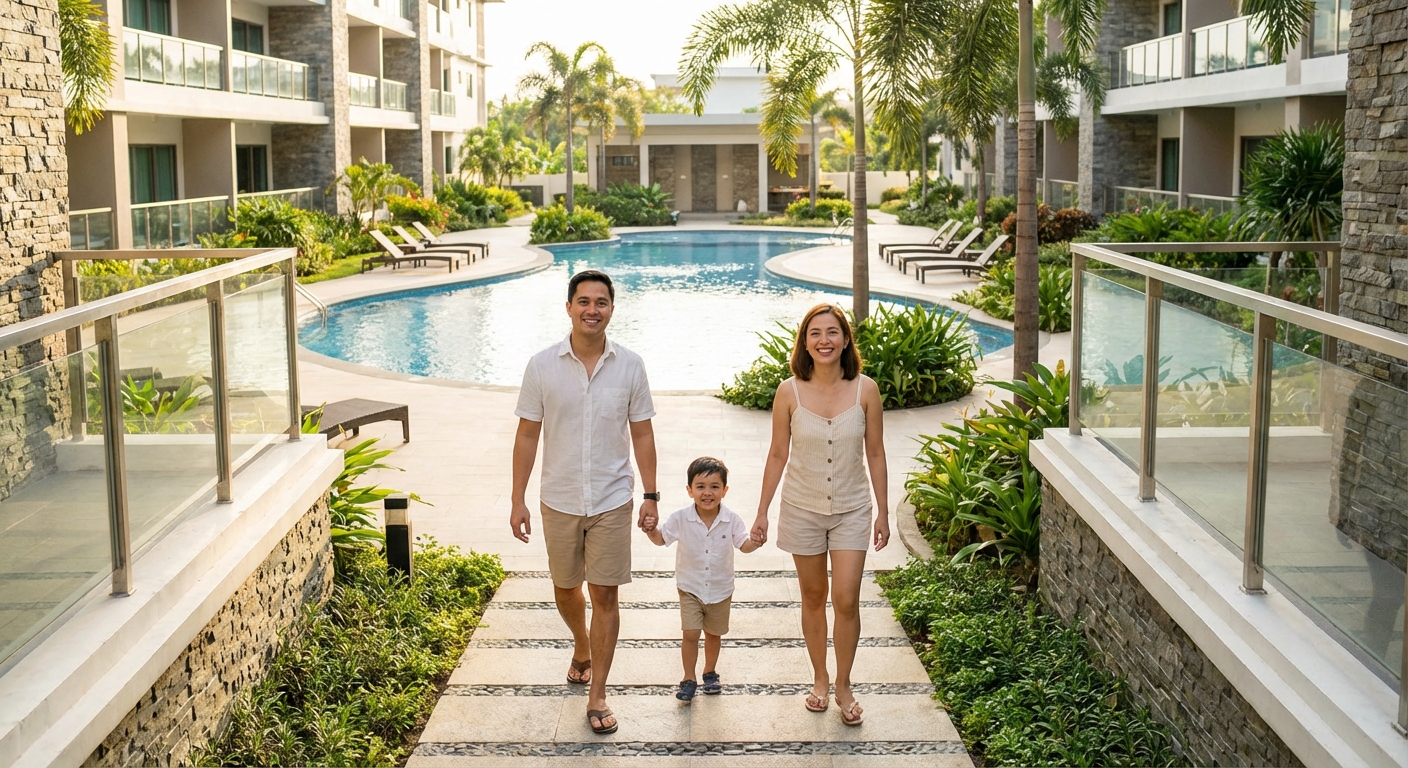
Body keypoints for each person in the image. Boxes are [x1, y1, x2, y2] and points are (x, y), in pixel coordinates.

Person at [510, 269, 659, 736]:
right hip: (559, 498)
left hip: (613, 497)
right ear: (569, 307)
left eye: (601, 302)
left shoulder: (631, 365)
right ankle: (581, 644)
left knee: (606, 595)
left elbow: (642, 433)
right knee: (565, 588)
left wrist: (651, 495)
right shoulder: (541, 365)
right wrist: (518, 499)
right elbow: (527, 434)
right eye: (584, 301)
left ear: (612, 309)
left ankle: (598, 696)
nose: (592, 309)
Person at [752, 303, 890, 726]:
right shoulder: (787, 391)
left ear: (846, 339)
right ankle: (820, 679)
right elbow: (778, 453)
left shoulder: (865, 390)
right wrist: (762, 511)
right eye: (815, 333)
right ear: (805, 342)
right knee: (813, 598)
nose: (824, 340)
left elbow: (876, 453)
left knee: (846, 599)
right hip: (801, 508)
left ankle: (844, 684)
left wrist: (883, 512)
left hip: (852, 508)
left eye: (833, 332)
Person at [642, 457, 763, 701]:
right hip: (690, 588)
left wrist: (756, 542)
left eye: (714, 487)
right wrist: (651, 530)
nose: (707, 493)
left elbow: (743, 544)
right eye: (700, 487)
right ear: (689, 490)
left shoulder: (731, 520)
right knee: (690, 633)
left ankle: (710, 672)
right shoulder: (680, 518)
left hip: (721, 589)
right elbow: (661, 539)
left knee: (713, 634)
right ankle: (688, 678)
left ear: (724, 490)